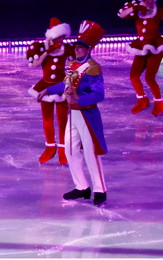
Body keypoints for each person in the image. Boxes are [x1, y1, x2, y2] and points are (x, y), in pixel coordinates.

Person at [39, 20, 107, 206]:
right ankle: (82, 187)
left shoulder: (93, 68)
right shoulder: (74, 65)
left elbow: (99, 94)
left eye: (80, 47)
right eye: (76, 46)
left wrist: (79, 100)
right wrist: (49, 90)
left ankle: (100, 190)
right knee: (69, 149)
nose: (76, 49)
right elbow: (65, 84)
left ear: (88, 49)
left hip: (87, 115)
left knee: (91, 154)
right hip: (73, 115)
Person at [117, 0, 163, 116]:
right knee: (133, 76)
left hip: (155, 47)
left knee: (149, 78)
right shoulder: (137, 11)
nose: (150, 1)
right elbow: (122, 15)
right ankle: (142, 100)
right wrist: (135, 8)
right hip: (141, 46)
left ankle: (159, 103)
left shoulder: (158, 11)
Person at [26, 18, 75, 164]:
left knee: (62, 119)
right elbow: (35, 64)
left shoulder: (67, 49)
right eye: (58, 37)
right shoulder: (40, 47)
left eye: (63, 37)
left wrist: (69, 85)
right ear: (51, 36)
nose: (61, 40)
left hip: (61, 87)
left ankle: (62, 149)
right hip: (44, 87)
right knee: (47, 119)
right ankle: (50, 147)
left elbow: (72, 69)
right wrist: (48, 51)